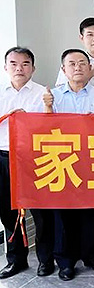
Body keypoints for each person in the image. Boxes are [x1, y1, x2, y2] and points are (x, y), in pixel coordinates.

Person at [45, 49, 94, 281]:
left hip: (90, 161)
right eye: (72, 64)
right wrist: (48, 109)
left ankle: (92, 256)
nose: (78, 67)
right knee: (63, 215)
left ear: (89, 67)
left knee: (91, 212)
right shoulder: (52, 96)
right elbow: (43, 129)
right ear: (64, 70)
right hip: (61, 162)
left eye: (82, 63)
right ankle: (65, 261)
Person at [0, 48, 45, 279]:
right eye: (14, 63)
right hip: (3, 157)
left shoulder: (43, 93)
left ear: (33, 68)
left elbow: (50, 127)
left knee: (41, 211)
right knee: (7, 211)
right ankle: (16, 260)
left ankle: (46, 259)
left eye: (25, 64)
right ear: (5, 67)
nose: (19, 68)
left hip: (33, 158)